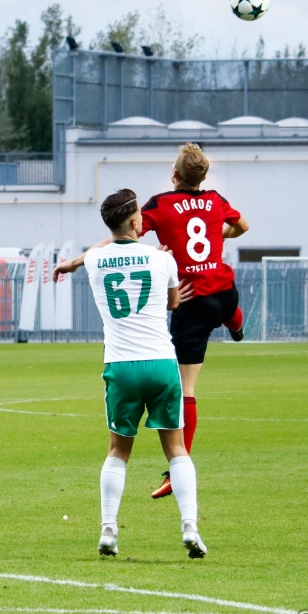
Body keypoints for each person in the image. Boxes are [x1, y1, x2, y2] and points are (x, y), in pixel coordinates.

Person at [57, 143, 248, 500]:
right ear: (204, 176)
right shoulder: (216, 199)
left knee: (187, 388)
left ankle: (177, 468)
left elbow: (117, 238)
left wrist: (73, 262)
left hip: (193, 301)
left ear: (174, 174)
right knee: (226, 306)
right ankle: (235, 323)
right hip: (225, 290)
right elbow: (242, 227)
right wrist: (217, 234)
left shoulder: (161, 204)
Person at [84, 189, 206, 559]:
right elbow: (173, 303)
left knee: (118, 451)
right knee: (176, 449)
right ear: (136, 221)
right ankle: (190, 526)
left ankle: (108, 530)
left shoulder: (93, 259)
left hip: (120, 366)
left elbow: (100, 247)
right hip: (160, 363)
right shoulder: (162, 259)